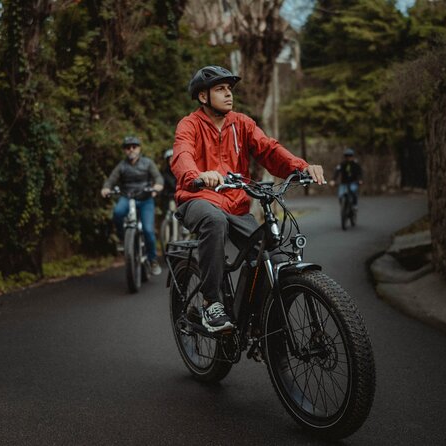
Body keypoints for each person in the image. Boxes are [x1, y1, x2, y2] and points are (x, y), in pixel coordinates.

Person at [171, 65, 325, 333]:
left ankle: (261, 320)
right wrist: (197, 174)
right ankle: (211, 304)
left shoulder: (241, 123)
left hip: (236, 203)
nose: (229, 94)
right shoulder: (190, 124)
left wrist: (301, 167)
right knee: (214, 221)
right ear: (203, 96)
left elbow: (268, 150)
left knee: (273, 257)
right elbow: (182, 154)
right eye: (220, 89)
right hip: (198, 197)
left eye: (230, 89)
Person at [101, 136, 164, 275]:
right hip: (127, 197)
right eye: (128, 147)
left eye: (134, 146)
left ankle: (152, 260)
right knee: (117, 213)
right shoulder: (121, 166)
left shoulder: (148, 163)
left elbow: (158, 178)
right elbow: (111, 180)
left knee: (148, 230)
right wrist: (106, 188)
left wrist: (157, 186)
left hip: (145, 198)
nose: (131, 149)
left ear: (139, 148)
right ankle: (124, 239)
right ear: (125, 150)